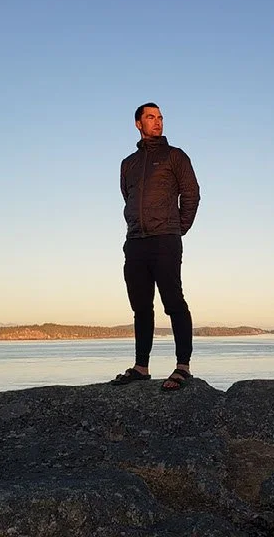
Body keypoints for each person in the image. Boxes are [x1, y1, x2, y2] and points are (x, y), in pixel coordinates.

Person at [112, 102, 200, 391]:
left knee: (174, 302)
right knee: (141, 307)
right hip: (135, 241)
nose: (157, 122)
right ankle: (141, 367)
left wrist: (177, 229)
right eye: (151, 117)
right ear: (138, 123)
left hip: (166, 240)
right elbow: (127, 197)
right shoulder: (129, 164)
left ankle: (183, 367)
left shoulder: (175, 157)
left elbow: (191, 195)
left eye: (160, 117)